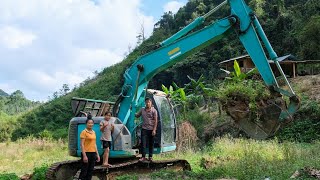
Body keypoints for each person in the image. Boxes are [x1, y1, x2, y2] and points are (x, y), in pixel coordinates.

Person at [135, 97, 158, 162]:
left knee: (151, 143)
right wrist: (132, 110)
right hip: (144, 129)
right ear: (145, 103)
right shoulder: (142, 109)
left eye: (149, 102)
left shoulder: (154, 110)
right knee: (143, 143)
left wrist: (154, 130)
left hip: (151, 129)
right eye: (146, 102)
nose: (147, 103)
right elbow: (137, 115)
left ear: (151, 103)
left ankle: (150, 157)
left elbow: (156, 121)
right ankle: (143, 157)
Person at [79, 115, 100, 180]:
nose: (90, 124)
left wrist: (97, 154)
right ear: (86, 124)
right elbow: (82, 144)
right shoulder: (84, 132)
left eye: (91, 123)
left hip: (93, 153)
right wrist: (84, 156)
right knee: (84, 170)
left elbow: (94, 144)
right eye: (89, 123)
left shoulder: (93, 132)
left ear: (93, 124)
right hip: (86, 153)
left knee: (90, 170)